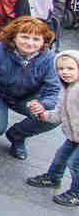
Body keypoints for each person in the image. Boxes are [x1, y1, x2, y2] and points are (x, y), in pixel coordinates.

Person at [0, 15, 62, 160]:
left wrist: (43, 104)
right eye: (24, 37)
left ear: (43, 42)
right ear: (14, 37)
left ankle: (17, 135)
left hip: (25, 98)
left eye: (36, 39)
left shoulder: (49, 59)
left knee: (55, 115)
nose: (29, 43)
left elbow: (53, 91)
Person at [26, 49, 79, 206]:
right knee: (61, 156)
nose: (65, 72)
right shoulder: (66, 89)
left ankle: (76, 192)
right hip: (73, 136)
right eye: (61, 69)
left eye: (70, 68)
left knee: (75, 164)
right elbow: (60, 114)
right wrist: (43, 114)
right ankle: (53, 177)